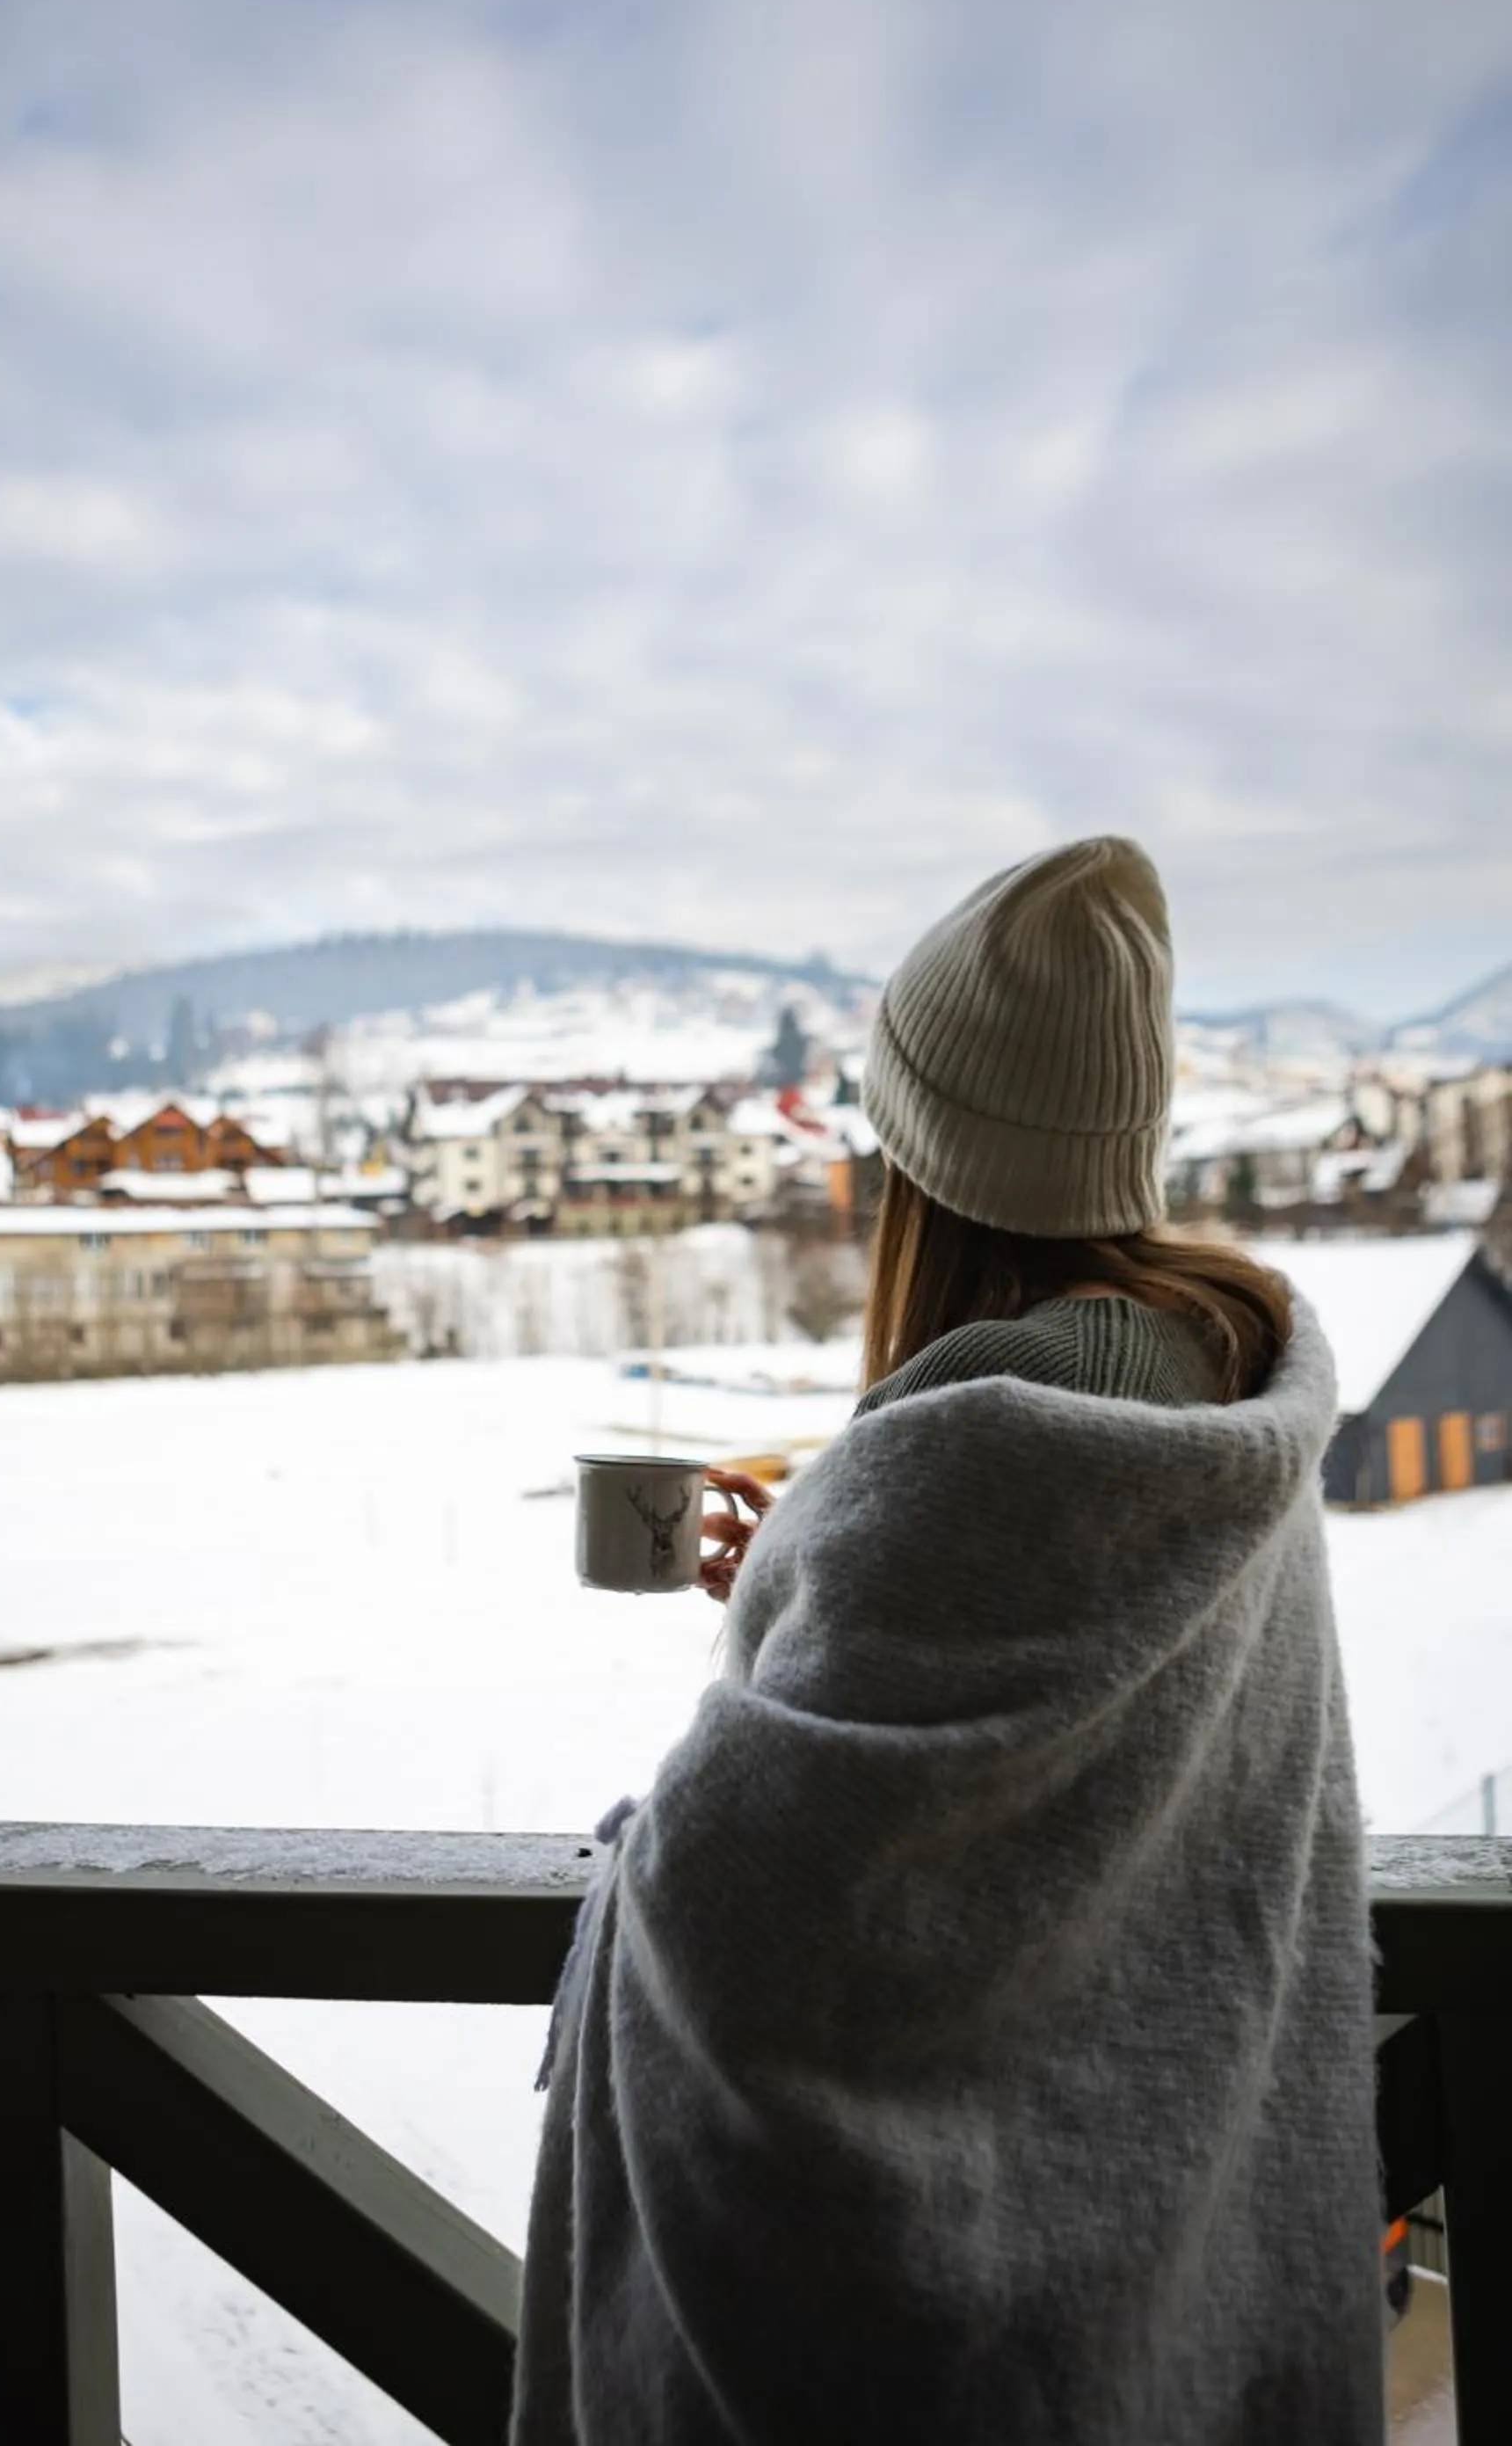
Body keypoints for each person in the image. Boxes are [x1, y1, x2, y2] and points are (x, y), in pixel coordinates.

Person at [514, 836, 1384, 2446]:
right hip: (1178, 2256)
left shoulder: (969, 1448)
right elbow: (1082, 1725)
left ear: (929, 1153)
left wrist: (844, 1557)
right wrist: (815, 1562)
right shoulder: (1224, 1384)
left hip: (967, 2353)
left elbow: (739, 1900)